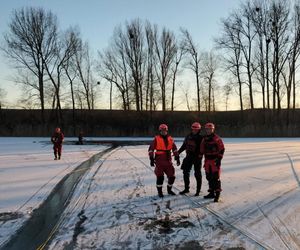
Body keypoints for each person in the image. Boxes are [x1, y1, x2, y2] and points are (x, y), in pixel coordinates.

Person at [148, 124, 180, 198]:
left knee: (172, 177)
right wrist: (151, 159)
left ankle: (169, 190)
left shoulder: (170, 139)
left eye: (165, 130)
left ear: (167, 131)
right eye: (162, 131)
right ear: (160, 131)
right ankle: (160, 192)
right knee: (160, 177)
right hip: (159, 160)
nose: (163, 132)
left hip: (168, 160)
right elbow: (151, 149)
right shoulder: (156, 139)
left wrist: (177, 157)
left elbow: (174, 148)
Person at [200, 123, 225, 202]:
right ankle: (211, 193)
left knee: (215, 177)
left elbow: (222, 149)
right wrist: (199, 156)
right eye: (207, 129)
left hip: (215, 161)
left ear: (213, 130)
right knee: (209, 177)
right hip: (207, 161)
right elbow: (201, 149)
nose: (208, 131)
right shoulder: (204, 139)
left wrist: (219, 160)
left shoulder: (217, 138)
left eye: (210, 129)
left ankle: (217, 194)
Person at [178, 122, 203, 196]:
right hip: (188, 156)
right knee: (185, 172)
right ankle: (186, 189)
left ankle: (198, 191)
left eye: (196, 129)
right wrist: (178, 153)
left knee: (197, 174)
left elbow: (204, 148)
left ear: (199, 130)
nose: (194, 130)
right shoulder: (188, 136)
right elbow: (184, 146)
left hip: (197, 158)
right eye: (193, 129)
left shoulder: (201, 138)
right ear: (191, 129)